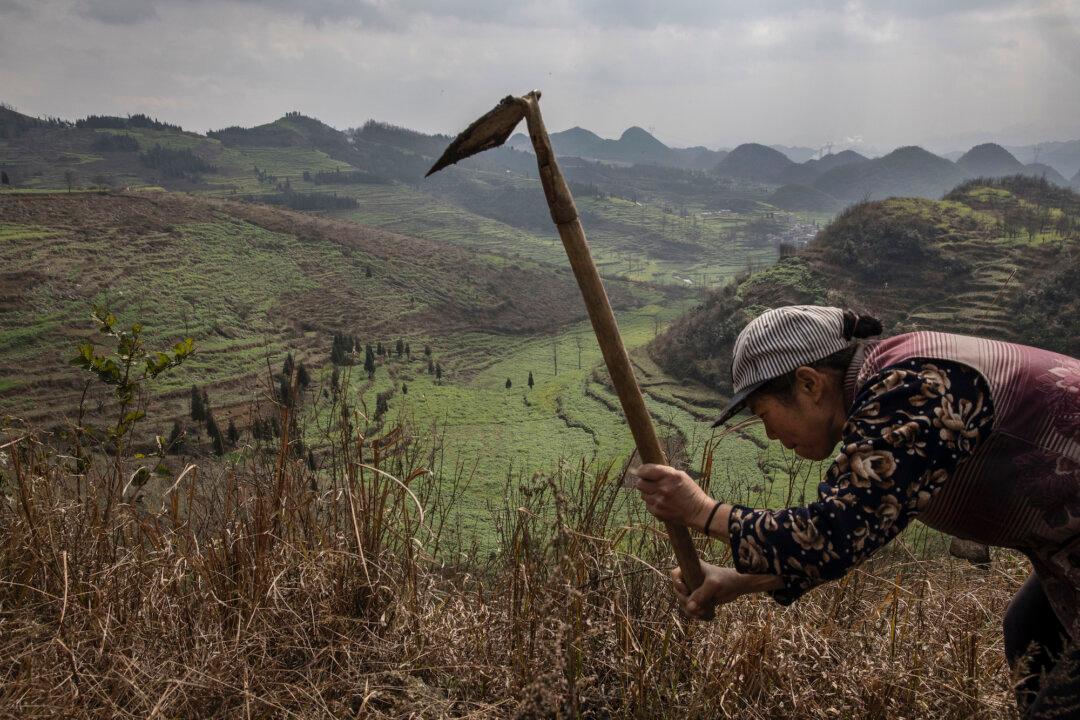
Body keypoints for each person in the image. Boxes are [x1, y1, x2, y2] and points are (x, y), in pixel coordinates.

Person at [633, 305, 1080, 716]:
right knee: (1033, 632)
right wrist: (739, 580)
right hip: (1064, 547)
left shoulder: (912, 388)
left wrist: (702, 511)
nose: (768, 434)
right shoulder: (888, 391)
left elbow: (834, 534)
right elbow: (868, 524)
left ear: (809, 384)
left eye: (762, 412)